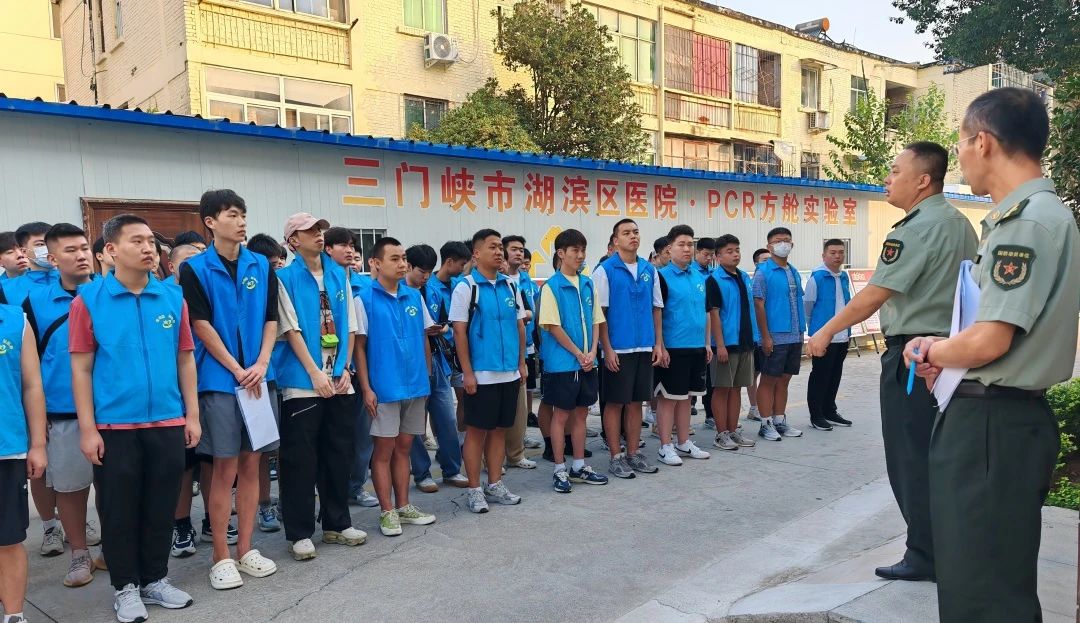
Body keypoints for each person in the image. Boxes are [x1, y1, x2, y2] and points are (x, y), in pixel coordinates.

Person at [904, 88, 1079, 622]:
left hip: (990, 426)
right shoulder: (1034, 216)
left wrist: (932, 348)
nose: (959, 154)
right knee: (987, 576)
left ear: (983, 142)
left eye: (961, 142)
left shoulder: (1025, 223)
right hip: (999, 422)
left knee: (980, 588)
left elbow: (990, 340)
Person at [807, 141, 977, 582]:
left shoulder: (914, 229)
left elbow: (874, 295)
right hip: (953, 355)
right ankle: (950, 547)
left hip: (914, 356)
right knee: (940, 456)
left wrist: (825, 331)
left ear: (923, 180)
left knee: (910, 457)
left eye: (896, 171)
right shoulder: (960, 224)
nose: (887, 178)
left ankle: (924, 554)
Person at [70, 214, 199, 623]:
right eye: (137, 241)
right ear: (110, 250)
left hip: (167, 421)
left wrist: (192, 415)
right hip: (114, 427)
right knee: (119, 510)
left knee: (161, 506)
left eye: (151, 242)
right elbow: (81, 369)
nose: (149, 249)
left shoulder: (172, 298)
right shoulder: (89, 301)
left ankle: (155, 579)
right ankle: (125, 586)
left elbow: (185, 360)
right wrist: (88, 429)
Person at [180, 190, 280, 589]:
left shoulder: (261, 265)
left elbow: (271, 318)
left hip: (258, 379)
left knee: (253, 463)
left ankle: (246, 549)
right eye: (233, 215)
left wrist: (261, 364)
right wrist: (238, 368)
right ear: (210, 222)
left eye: (243, 215)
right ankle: (220, 554)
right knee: (224, 468)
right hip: (220, 382)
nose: (242, 222)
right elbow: (200, 324)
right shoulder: (194, 269)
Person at [272, 213, 367, 561]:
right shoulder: (283, 278)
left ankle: (337, 523)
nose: (318, 234)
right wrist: (314, 373)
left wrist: (343, 368)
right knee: (300, 458)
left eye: (319, 229)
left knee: (339, 453)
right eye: (309, 230)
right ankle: (299, 532)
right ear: (292, 241)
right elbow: (290, 329)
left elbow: (350, 325)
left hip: (339, 377)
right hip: (303, 381)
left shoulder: (339, 273)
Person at [23, 224, 97, 588]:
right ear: (52, 259)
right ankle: (79, 553)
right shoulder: (34, 303)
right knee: (70, 487)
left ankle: (113, 549)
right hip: (63, 412)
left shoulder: (107, 292)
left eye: (84, 248)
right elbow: (28, 366)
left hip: (113, 409)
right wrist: (37, 420)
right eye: (71, 250)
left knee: (117, 486)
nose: (81, 255)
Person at [355, 238, 438, 536]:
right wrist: (367, 388)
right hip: (384, 387)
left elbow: (424, 337)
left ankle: (403, 506)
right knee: (383, 451)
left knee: (404, 448)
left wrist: (426, 376)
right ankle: (387, 511)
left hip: (415, 385)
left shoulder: (414, 297)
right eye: (395, 259)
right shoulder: (364, 299)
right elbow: (359, 347)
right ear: (375, 263)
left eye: (403, 258)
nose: (402, 264)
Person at [449, 229, 527, 514]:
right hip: (481, 374)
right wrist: (467, 373)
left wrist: (521, 363)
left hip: (509, 373)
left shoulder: (510, 286)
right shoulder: (466, 287)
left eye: (500, 247)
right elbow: (459, 333)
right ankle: (474, 489)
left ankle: (495, 484)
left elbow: (520, 326)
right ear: (476, 253)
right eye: (492, 247)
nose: (498, 252)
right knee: (476, 433)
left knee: (499, 431)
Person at [538, 229, 608, 493]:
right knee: (561, 416)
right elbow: (553, 326)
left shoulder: (588, 283)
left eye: (583, 250)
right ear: (561, 253)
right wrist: (579, 354)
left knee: (581, 414)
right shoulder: (551, 287)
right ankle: (559, 468)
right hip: (562, 365)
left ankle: (579, 466)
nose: (580, 255)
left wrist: (592, 352)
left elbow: (596, 320)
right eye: (575, 250)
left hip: (588, 361)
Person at [595, 219, 664, 479]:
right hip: (618, 348)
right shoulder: (605, 271)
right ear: (615, 241)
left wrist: (658, 344)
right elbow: (600, 314)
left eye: (635, 232)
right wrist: (607, 348)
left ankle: (633, 453)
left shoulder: (649, 269)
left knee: (636, 403)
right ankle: (616, 456)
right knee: (615, 403)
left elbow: (656, 309)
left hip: (644, 346)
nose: (633, 236)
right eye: (626, 233)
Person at [0, 292, 48, 623]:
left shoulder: (15, 320)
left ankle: (14, 615)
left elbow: (32, 385)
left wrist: (38, 444)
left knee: (9, 539)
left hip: (7, 449)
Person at [405, 244, 467, 493]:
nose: (425, 277)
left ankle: (452, 469)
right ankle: (422, 474)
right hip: (410, 366)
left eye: (429, 272)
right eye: (421, 271)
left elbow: (447, 322)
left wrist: (442, 329)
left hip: (437, 361)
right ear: (408, 266)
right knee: (414, 425)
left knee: (447, 419)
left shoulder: (432, 292)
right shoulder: (398, 293)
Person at [654, 225, 711, 466]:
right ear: (669, 248)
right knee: (668, 398)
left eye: (690, 244)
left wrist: (707, 343)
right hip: (673, 347)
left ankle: (683, 441)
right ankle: (665, 446)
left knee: (687, 397)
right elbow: (656, 314)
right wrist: (661, 345)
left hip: (696, 346)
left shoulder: (698, 276)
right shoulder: (661, 277)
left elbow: (705, 312)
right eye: (682, 244)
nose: (687, 249)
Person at [752, 227, 805, 442]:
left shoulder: (793, 270)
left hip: (795, 335)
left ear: (792, 244)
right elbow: (759, 305)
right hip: (774, 336)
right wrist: (765, 337)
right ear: (769, 246)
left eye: (787, 240)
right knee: (768, 380)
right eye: (778, 240)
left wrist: (801, 332)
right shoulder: (763, 272)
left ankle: (779, 420)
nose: (783, 244)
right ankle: (765, 423)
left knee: (784, 380)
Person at [706, 235, 758, 451]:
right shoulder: (714, 280)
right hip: (726, 344)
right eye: (729, 251)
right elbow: (714, 315)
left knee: (736, 388)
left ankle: (733, 431)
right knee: (722, 389)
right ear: (718, 256)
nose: (735, 254)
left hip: (745, 342)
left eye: (737, 250)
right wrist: (720, 345)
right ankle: (721, 434)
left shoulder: (744, 276)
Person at [803, 240, 854, 432]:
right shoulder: (817, 278)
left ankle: (830, 411)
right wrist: (815, 330)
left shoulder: (844, 276)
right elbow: (808, 305)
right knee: (820, 375)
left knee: (835, 374)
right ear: (824, 255)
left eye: (841, 252)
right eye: (832, 252)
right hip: (823, 336)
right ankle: (816, 415)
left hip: (843, 335)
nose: (837, 256)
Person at [500, 235, 539, 470]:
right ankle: (493, 459)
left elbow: (531, 313)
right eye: (513, 249)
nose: (519, 253)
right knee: (496, 413)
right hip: (496, 354)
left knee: (520, 407)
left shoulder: (525, 281)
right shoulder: (495, 282)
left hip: (522, 351)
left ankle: (515, 454)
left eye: (521, 250)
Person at [744, 248, 770, 422]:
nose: (768, 263)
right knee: (754, 373)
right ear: (756, 263)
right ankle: (754, 407)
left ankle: (765, 406)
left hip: (771, 335)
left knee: (767, 373)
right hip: (757, 336)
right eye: (764, 260)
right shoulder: (754, 282)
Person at [3, 222, 55, 307]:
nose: (48, 248)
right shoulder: (6, 289)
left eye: (51, 242)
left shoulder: (73, 279)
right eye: (40, 244)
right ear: (24, 251)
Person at [693, 237, 716, 426]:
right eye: (706, 254)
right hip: (693, 334)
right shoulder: (691, 273)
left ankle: (710, 414)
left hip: (710, 334)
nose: (709, 258)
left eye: (711, 255)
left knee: (710, 379)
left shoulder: (713, 274)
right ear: (697, 252)